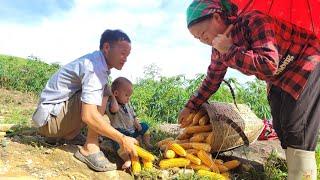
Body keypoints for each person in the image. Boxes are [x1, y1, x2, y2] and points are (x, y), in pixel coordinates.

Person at [178, 1, 320, 179]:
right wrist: (190, 106)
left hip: (305, 61)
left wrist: (229, 49)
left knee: (297, 127)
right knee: (281, 127)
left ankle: (303, 175)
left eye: (203, 33)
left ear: (216, 17)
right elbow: (212, 80)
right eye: (197, 38)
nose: (202, 40)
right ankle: (296, 173)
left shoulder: (254, 21)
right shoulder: (217, 49)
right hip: (278, 77)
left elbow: (268, 64)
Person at [32, 29, 138, 172]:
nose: (125, 58)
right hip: (49, 121)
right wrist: (122, 139)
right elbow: (88, 115)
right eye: (122, 53)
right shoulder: (95, 67)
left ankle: (70, 135)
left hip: (51, 119)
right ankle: (90, 148)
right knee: (103, 91)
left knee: (99, 91)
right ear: (106, 48)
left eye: (128, 55)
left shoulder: (97, 62)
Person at [105, 77, 152, 169]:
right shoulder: (111, 104)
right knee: (117, 143)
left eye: (130, 96)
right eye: (126, 95)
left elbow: (133, 115)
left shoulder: (127, 104)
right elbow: (115, 109)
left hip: (132, 130)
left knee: (145, 126)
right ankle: (127, 159)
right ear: (116, 94)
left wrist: (136, 123)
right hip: (120, 133)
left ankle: (147, 143)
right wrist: (112, 97)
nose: (128, 98)